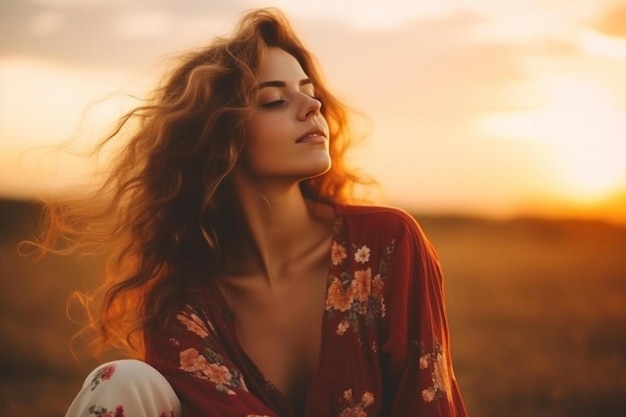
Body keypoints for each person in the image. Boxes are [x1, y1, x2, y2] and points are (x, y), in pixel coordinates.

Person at [33, 7, 469, 417]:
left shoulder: (388, 244)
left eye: (310, 93)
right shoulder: (183, 307)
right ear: (220, 136)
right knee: (121, 381)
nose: (313, 107)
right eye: (274, 100)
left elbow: (428, 402)